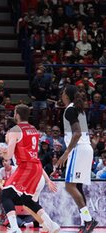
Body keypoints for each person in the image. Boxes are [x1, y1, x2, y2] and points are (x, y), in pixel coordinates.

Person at [0, 104, 59, 233]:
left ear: (17, 114)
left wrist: (2, 152)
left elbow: (9, 155)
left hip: (26, 167)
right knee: (27, 200)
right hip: (36, 167)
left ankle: (14, 228)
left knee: (5, 195)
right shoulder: (34, 129)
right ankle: (51, 224)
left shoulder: (15, 130)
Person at [56, 85, 98, 231]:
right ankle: (84, 222)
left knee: (69, 186)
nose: (61, 95)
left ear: (66, 95)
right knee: (77, 186)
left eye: (62, 93)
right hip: (86, 150)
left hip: (78, 149)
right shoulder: (78, 109)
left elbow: (77, 133)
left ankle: (88, 220)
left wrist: (66, 152)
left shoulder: (70, 110)